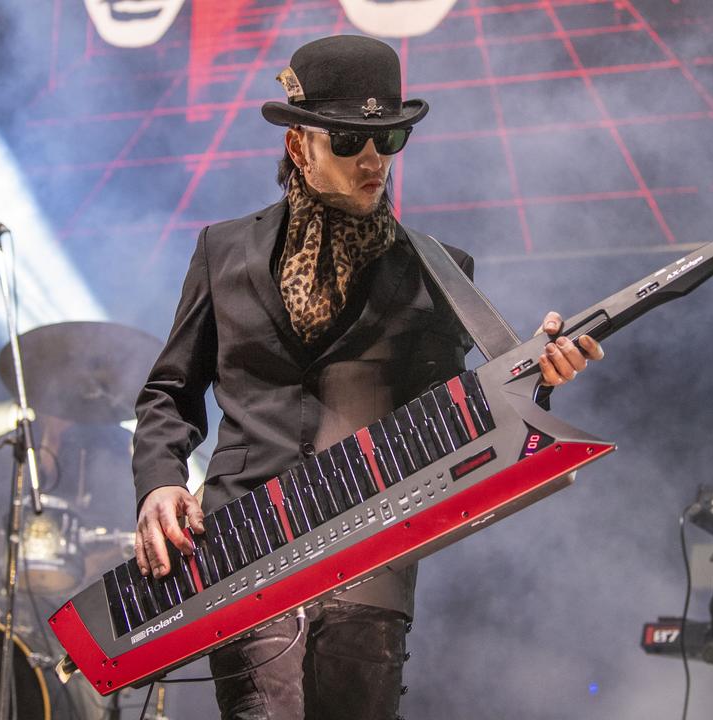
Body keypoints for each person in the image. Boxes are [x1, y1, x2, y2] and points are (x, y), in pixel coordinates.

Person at [130, 35, 602, 720]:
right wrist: (162, 480)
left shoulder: (439, 269)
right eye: (351, 140)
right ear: (300, 145)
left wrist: (535, 377)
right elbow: (169, 393)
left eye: (390, 138)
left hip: (370, 555)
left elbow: (450, 422)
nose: (374, 159)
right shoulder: (222, 251)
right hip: (245, 544)